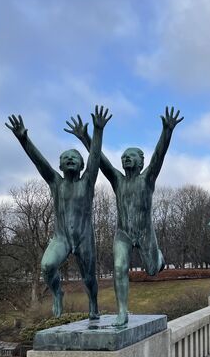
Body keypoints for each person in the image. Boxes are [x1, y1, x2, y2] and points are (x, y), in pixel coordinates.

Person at [66, 107, 183, 326]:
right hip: (124, 234)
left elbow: (159, 156)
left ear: (140, 161)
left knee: (151, 271)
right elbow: (100, 161)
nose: (126, 159)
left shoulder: (147, 179)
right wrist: (86, 137)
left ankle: (158, 257)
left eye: (131, 157)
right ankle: (122, 312)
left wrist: (167, 131)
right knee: (119, 268)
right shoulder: (118, 180)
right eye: (124, 157)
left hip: (146, 233)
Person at [6, 105, 110, 319]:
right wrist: (23, 139)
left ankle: (93, 303)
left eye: (75, 158)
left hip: (84, 238)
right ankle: (57, 294)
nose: (70, 159)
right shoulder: (56, 182)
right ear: (60, 166)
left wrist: (97, 132)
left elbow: (96, 158)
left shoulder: (87, 182)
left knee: (89, 278)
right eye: (66, 158)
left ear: (82, 165)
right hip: (61, 238)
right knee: (47, 266)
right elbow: (39, 162)